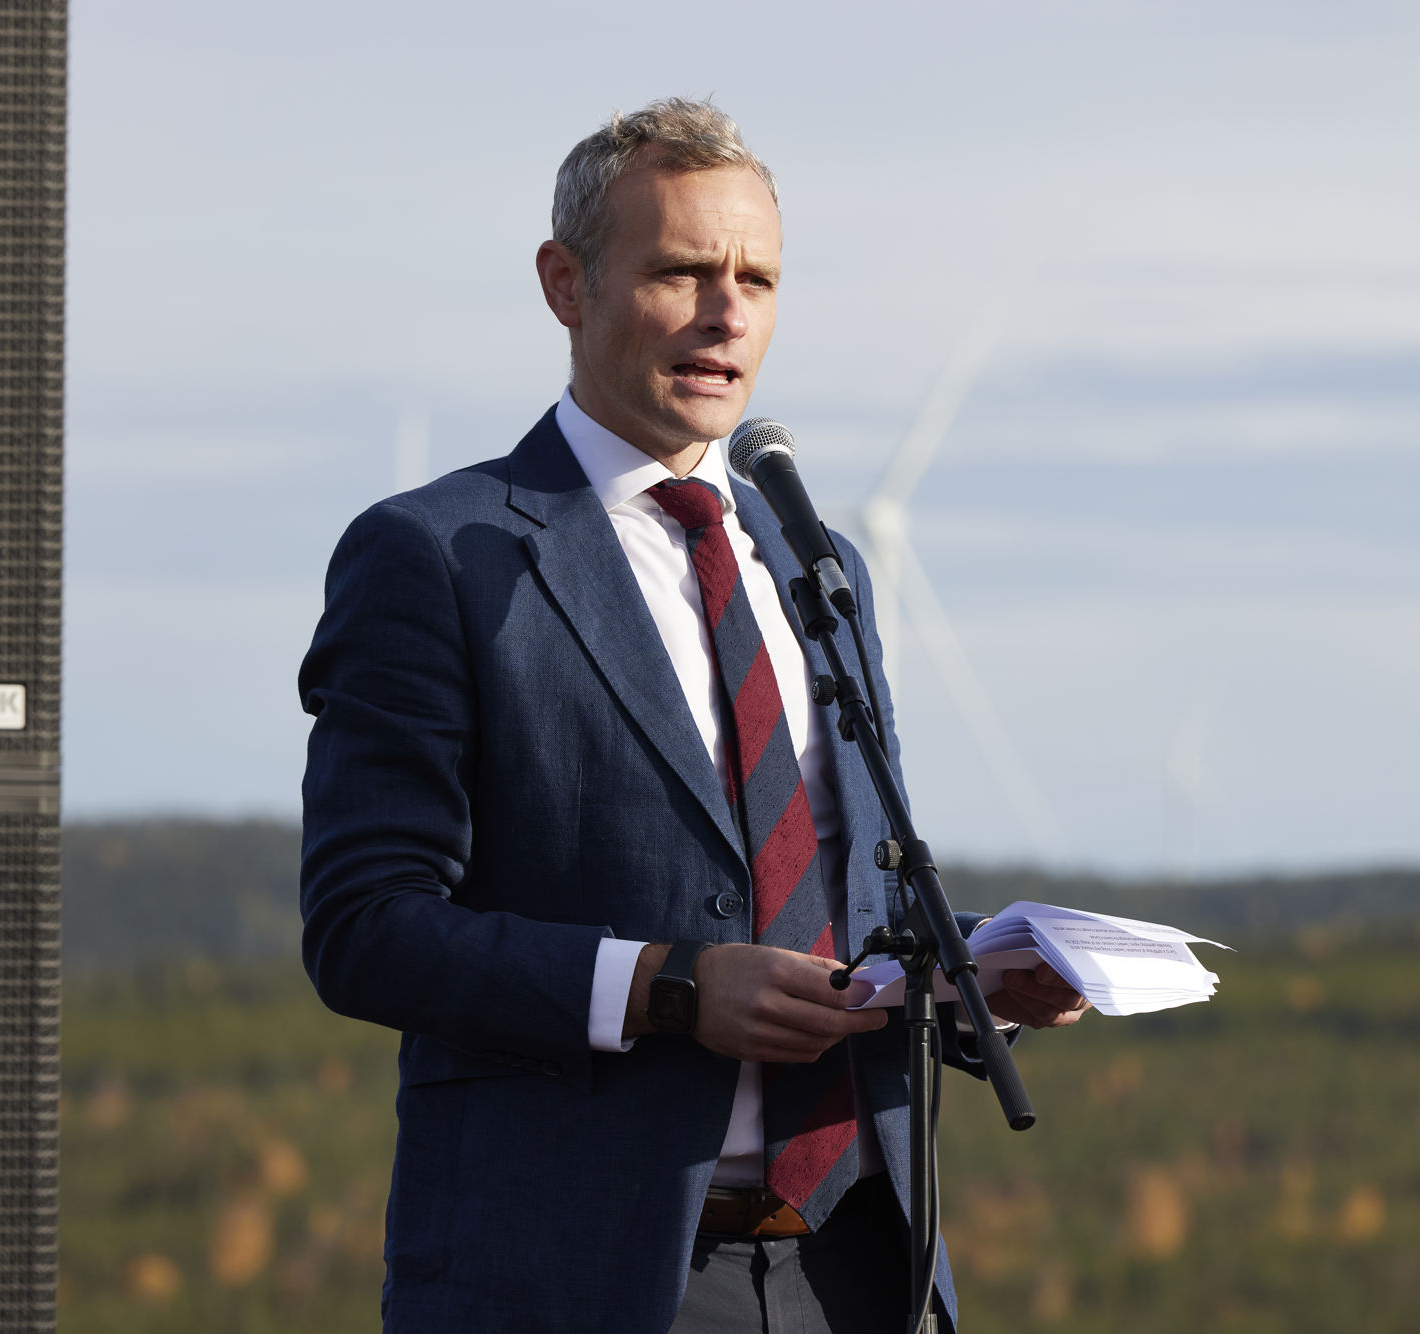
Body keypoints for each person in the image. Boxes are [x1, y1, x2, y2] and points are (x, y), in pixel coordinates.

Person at [298, 98, 1088, 1334]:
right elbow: (365, 927)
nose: (728, 313)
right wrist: (668, 987)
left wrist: (966, 967)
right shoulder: (436, 556)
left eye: (757, 279)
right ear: (566, 284)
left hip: (864, 1263)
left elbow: (832, 893)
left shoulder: (813, 556)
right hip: (584, 1278)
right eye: (680, 272)